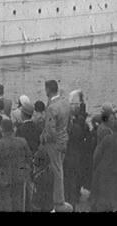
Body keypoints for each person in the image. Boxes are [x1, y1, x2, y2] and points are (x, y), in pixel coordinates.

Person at [40, 79, 71, 212]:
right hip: (63, 139)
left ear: (48, 89)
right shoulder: (64, 102)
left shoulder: (52, 108)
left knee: (57, 171)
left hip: (54, 143)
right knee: (59, 169)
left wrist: (44, 139)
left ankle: (58, 201)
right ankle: (58, 200)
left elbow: (51, 130)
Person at [0, 119, 32, 211]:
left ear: (1, 129)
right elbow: (29, 158)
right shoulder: (22, 141)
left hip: (4, 178)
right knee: (18, 203)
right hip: (19, 176)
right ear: (13, 129)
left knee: (5, 204)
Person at [91, 120, 117, 212]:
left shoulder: (107, 139)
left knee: (100, 197)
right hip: (116, 173)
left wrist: (95, 167)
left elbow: (97, 154)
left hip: (103, 169)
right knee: (112, 199)